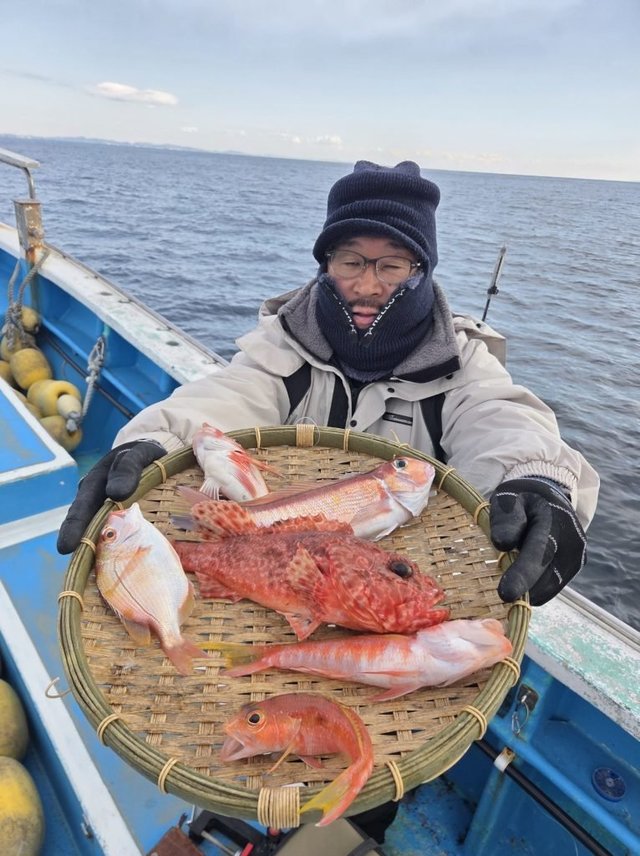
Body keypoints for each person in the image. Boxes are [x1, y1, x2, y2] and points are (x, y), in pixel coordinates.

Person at [57, 159, 599, 841]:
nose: (368, 286)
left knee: (367, 782)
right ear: (324, 263)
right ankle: (238, 822)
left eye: (393, 265)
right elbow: (223, 401)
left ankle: (364, 810)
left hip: (357, 625)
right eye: (350, 262)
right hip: (290, 582)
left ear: (423, 270)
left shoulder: (462, 365)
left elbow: (504, 418)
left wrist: (538, 481)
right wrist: (150, 440)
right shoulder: (284, 346)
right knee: (250, 765)